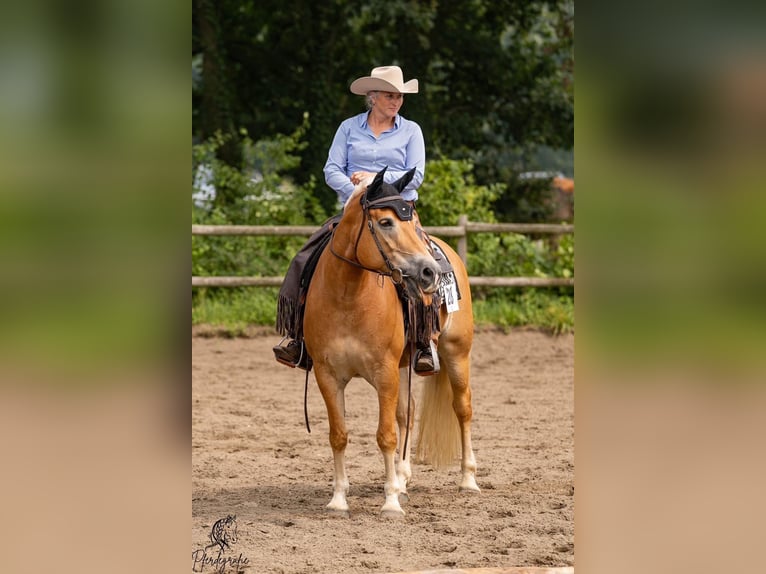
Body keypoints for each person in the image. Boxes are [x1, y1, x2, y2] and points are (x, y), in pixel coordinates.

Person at [273, 65, 436, 374]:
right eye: (390, 95)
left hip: (397, 213)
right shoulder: (348, 128)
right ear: (372, 97)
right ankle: (300, 338)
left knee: (427, 264)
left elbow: (417, 174)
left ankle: (425, 340)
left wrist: (375, 179)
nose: (396, 101)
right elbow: (331, 168)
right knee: (305, 259)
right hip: (353, 211)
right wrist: (356, 190)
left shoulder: (411, 130)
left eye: (400, 96)